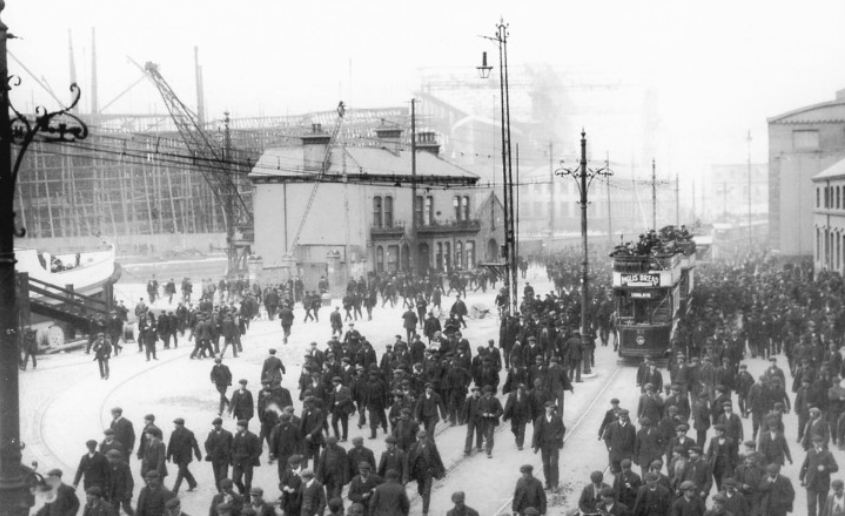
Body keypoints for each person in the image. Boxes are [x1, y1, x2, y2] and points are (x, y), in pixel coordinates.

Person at [800, 434, 839, 516]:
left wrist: (825, 468)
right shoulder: (810, 452)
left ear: (823, 443)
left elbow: (835, 467)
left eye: (819, 442)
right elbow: (805, 466)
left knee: (823, 505)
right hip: (811, 482)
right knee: (811, 504)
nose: (817, 444)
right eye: (815, 442)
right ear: (812, 443)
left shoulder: (828, 454)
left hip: (823, 484)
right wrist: (801, 477)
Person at [408, 429, 444, 516]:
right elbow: (410, 460)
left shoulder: (431, 445)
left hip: (428, 472)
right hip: (418, 473)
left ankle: (425, 512)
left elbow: (437, 457)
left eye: (423, 437)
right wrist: (409, 472)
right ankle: (424, 499)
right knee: (420, 490)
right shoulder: (414, 446)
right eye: (420, 438)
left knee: (426, 492)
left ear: (426, 437)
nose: (422, 439)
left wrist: (442, 469)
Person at [532, 400, 565, 491]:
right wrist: (535, 445)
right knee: (546, 464)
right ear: (545, 408)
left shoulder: (557, 418)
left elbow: (562, 429)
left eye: (553, 408)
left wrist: (559, 436)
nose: (551, 409)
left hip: (554, 445)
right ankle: (548, 483)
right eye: (549, 407)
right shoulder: (540, 419)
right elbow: (536, 432)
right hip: (544, 445)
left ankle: (555, 484)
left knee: (554, 464)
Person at [166, 418, 201, 494]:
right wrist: (168, 455)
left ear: (180, 425)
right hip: (177, 456)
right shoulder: (174, 433)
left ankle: (175, 491)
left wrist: (198, 455)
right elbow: (170, 445)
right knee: (184, 471)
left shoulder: (189, 433)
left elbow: (194, 444)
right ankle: (193, 483)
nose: (175, 425)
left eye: (176, 424)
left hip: (186, 457)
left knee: (180, 473)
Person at [230, 419, 261, 499]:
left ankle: (247, 500)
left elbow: (258, 450)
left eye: (239, 426)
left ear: (244, 427)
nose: (237, 428)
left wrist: (252, 459)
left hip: (247, 462)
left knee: (248, 482)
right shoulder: (237, 435)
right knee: (236, 480)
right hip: (238, 461)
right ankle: (242, 491)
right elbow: (233, 447)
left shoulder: (252, 436)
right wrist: (234, 456)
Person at [603, 408, 636, 475]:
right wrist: (609, 447)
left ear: (627, 417)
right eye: (622, 416)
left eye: (625, 416)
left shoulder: (631, 427)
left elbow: (634, 440)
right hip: (615, 454)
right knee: (616, 473)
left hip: (627, 454)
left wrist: (633, 452)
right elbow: (606, 437)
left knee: (626, 473)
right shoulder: (612, 426)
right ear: (619, 416)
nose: (623, 418)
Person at [478, 384, 504, 458]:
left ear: (490, 392)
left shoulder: (495, 400)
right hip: (483, 421)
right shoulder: (481, 400)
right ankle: (489, 446)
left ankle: (488, 451)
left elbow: (501, 410)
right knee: (487, 435)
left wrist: (495, 415)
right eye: (485, 392)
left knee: (490, 435)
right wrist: (483, 414)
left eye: (488, 392)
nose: (486, 394)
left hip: (492, 421)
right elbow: (477, 410)